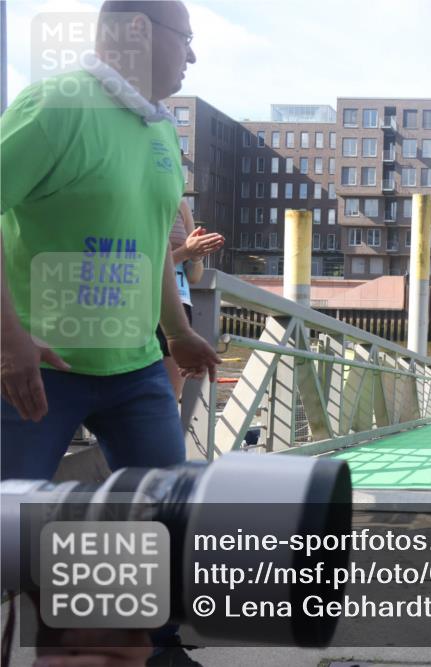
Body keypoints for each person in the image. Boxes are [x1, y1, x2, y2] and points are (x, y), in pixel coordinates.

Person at [0, 1, 217, 663]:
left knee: (162, 516)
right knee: (7, 536)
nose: (192, 55)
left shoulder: (159, 132)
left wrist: (175, 331)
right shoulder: (55, 108)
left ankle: (156, 647)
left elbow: (150, 248)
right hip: (41, 370)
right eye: (186, 38)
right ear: (136, 30)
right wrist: (9, 341)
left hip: (136, 370)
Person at [156, 200, 225, 399]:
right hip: (140, 303)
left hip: (178, 305)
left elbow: (194, 277)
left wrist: (195, 256)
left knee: (169, 398)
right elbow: (145, 265)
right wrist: (185, 251)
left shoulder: (181, 205)